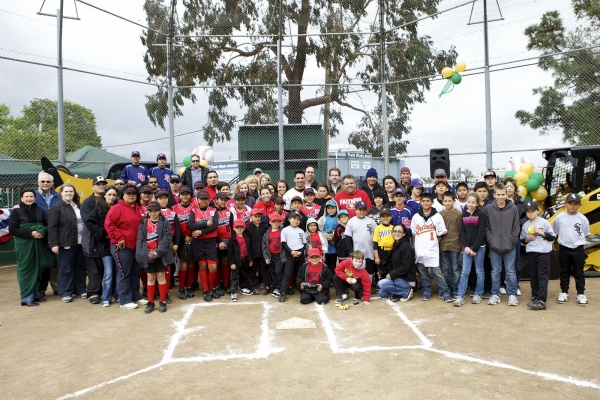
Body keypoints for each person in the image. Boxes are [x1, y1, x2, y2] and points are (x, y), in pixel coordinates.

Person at [9, 188, 54, 306]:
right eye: (26, 197)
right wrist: (31, 233)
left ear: (35, 198)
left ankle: (35, 296)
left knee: (38, 268)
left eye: (31, 196)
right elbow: (12, 230)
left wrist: (42, 232)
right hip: (24, 245)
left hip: (38, 243)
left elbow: (45, 224)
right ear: (21, 198)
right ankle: (26, 298)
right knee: (26, 268)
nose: (29, 199)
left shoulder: (39, 210)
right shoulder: (16, 211)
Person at [104, 185, 147, 310]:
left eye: (134, 193)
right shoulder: (117, 208)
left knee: (135, 272)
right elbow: (109, 224)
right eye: (128, 193)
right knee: (124, 272)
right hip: (122, 245)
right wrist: (119, 237)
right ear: (123, 195)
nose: (131, 195)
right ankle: (125, 300)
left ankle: (135, 296)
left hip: (136, 246)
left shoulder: (139, 208)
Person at [48, 183, 87, 303]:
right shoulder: (56, 208)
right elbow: (52, 227)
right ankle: (65, 292)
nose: (69, 194)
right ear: (61, 193)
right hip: (65, 243)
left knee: (80, 267)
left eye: (71, 191)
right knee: (66, 268)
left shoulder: (79, 206)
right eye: (66, 191)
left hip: (81, 243)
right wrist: (53, 244)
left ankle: (80, 289)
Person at [411, 192, 451, 302]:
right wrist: (414, 246)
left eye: (428, 201)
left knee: (437, 272)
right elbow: (414, 233)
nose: (425, 203)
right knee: (423, 272)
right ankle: (426, 291)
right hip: (420, 249)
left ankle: (444, 292)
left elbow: (441, 233)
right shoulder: (416, 217)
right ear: (420, 202)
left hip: (432, 249)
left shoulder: (437, 216)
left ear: (432, 202)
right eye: (423, 201)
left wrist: (436, 244)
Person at [135, 201, 174, 314]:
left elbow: (167, 237)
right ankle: (151, 302)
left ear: (159, 211)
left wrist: (157, 252)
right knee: (151, 277)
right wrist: (144, 253)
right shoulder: (144, 222)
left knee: (161, 276)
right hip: (148, 254)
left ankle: (162, 301)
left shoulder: (164, 221)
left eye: (155, 211)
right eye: (150, 211)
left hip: (160, 254)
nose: (153, 213)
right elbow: (140, 240)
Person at [485, 183, 520, 306]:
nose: (500, 197)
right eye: (498, 194)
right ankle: (495, 294)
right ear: (494, 195)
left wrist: (512, 240)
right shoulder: (488, 209)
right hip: (494, 246)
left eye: (503, 194)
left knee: (510, 271)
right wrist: (491, 240)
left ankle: (512, 295)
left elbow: (516, 227)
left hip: (510, 246)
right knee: (495, 271)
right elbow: (487, 227)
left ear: (506, 194)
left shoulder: (513, 208)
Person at [553, 193, 590, 306]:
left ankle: (581, 293)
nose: (572, 206)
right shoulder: (559, 217)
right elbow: (557, 231)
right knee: (564, 271)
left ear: (580, 205)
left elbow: (585, 234)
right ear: (565, 204)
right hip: (564, 248)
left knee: (579, 271)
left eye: (575, 204)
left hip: (578, 249)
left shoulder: (582, 219)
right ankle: (564, 292)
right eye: (570, 203)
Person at [80, 176, 111, 305]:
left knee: (107, 268)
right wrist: (104, 233)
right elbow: (89, 222)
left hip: (108, 239)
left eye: (103, 184)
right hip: (92, 238)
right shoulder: (87, 202)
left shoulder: (111, 198)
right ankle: (94, 292)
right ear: (93, 187)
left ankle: (109, 291)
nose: (101, 186)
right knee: (94, 267)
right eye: (98, 184)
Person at [521, 201, 555, 311]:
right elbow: (523, 240)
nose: (530, 213)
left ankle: (542, 300)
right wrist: (528, 239)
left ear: (537, 211)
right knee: (534, 275)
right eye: (528, 211)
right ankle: (535, 295)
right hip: (531, 252)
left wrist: (541, 232)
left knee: (542, 275)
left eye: (532, 211)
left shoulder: (544, 222)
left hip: (543, 252)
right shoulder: (526, 225)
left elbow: (552, 237)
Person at [454, 193, 487, 307]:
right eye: (469, 202)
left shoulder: (481, 214)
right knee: (465, 272)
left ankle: (478, 294)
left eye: (473, 202)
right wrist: (466, 246)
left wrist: (475, 248)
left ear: (477, 203)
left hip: (479, 248)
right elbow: (462, 232)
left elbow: (481, 232)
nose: (471, 204)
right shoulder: (464, 215)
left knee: (479, 271)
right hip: (467, 249)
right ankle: (460, 295)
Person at [189, 190, 220, 302]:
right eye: (201, 199)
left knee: (213, 267)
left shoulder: (213, 210)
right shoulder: (193, 210)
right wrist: (206, 224)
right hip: (198, 242)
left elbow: (215, 226)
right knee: (202, 266)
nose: (203, 201)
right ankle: (206, 290)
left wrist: (201, 231)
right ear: (197, 200)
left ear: (209, 200)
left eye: (206, 199)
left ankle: (211, 288)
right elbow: (191, 226)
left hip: (210, 241)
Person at [35, 171, 59, 297]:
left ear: (52, 183)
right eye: (43, 181)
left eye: (48, 181)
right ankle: (41, 289)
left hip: (56, 232)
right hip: (40, 233)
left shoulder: (58, 195)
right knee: (42, 262)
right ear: (38, 183)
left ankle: (57, 287)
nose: (45, 183)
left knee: (55, 261)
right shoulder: (32, 195)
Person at [377, 224, 415, 301]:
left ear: (404, 234)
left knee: (381, 284)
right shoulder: (396, 244)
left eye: (399, 231)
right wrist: (384, 273)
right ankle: (401, 291)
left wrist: (392, 274)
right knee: (382, 293)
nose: (397, 233)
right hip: (399, 277)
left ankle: (406, 292)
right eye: (395, 231)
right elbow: (391, 263)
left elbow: (406, 266)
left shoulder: (406, 246)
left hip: (407, 279)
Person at [96, 186, 119, 306]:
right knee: (109, 272)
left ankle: (119, 295)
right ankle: (106, 298)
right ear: (104, 195)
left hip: (118, 244)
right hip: (105, 245)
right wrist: (106, 235)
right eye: (109, 194)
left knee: (119, 272)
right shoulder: (98, 209)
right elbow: (93, 225)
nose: (112, 197)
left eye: (114, 195)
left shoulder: (119, 207)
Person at [172, 185, 196, 299]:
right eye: (183, 194)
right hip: (181, 239)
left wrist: (193, 235)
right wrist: (183, 237)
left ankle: (189, 286)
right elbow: (174, 227)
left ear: (191, 196)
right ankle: (181, 288)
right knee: (183, 263)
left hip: (194, 238)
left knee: (191, 263)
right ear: (179, 196)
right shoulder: (174, 208)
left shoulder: (195, 207)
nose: (185, 196)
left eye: (187, 194)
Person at [344, 201, 377, 283]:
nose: (362, 212)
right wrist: (350, 251)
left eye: (364, 210)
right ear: (355, 210)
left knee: (370, 268)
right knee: (358, 267)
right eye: (360, 209)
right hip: (357, 250)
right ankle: (359, 285)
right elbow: (348, 237)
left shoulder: (371, 221)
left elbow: (376, 236)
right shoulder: (351, 221)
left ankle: (369, 284)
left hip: (369, 250)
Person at [156, 189, 180, 295]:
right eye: (160, 198)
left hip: (170, 242)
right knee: (158, 266)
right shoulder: (153, 212)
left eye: (165, 198)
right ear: (156, 199)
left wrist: (176, 244)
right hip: (157, 243)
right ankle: (158, 287)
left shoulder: (172, 212)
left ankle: (168, 286)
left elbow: (177, 229)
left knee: (169, 264)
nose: (163, 200)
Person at [439, 191, 462, 298]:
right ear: (442, 202)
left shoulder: (459, 214)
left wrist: (461, 245)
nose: (447, 203)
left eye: (450, 201)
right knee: (445, 269)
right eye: (445, 201)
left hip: (455, 245)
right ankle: (446, 289)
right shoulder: (440, 214)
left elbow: (461, 230)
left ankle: (455, 290)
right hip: (443, 245)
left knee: (455, 269)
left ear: (454, 201)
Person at [279, 211, 306, 302]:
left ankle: (302, 289)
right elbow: (283, 243)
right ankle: (282, 292)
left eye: (298, 219)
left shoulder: (301, 231)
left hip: (299, 254)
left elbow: (304, 243)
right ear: (289, 219)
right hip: (290, 254)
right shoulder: (285, 230)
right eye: (294, 218)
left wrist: (300, 252)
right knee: (287, 274)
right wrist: (291, 252)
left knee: (300, 273)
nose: (296, 221)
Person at [227, 219, 255, 301]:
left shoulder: (246, 237)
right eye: (237, 227)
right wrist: (232, 263)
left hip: (245, 259)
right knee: (235, 276)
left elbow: (249, 249)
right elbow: (230, 253)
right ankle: (233, 292)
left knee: (244, 274)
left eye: (241, 227)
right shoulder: (232, 240)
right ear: (234, 228)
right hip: (236, 261)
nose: (239, 229)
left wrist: (250, 259)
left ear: (244, 228)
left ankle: (243, 288)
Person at [246, 208, 270, 294]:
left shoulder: (265, 227)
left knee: (264, 270)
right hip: (252, 253)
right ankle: (252, 285)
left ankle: (266, 284)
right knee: (252, 270)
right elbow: (247, 243)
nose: (257, 218)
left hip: (262, 253)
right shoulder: (248, 228)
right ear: (251, 217)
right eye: (255, 216)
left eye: (259, 216)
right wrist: (249, 257)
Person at [262, 213, 285, 299]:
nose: (276, 223)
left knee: (278, 272)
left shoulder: (282, 232)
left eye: (277, 221)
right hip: (271, 255)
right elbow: (264, 246)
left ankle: (279, 287)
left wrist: (284, 257)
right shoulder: (267, 233)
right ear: (270, 222)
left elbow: (285, 245)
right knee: (272, 271)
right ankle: (275, 286)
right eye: (274, 221)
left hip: (279, 255)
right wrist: (266, 257)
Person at [214, 192, 233, 294]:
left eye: (225, 200)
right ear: (216, 200)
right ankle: (218, 284)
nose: (223, 201)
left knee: (225, 261)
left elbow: (232, 227)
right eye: (221, 199)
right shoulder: (212, 212)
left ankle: (226, 283)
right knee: (216, 263)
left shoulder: (229, 212)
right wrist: (219, 241)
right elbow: (213, 229)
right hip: (215, 241)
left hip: (227, 241)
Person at [372, 206, 394, 280]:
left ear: (391, 217)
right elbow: (375, 243)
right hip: (381, 251)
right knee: (382, 271)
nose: (385, 218)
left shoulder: (393, 227)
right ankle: (382, 284)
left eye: (387, 216)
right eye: (383, 216)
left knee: (390, 270)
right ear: (380, 218)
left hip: (391, 251)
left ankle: (389, 284)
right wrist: (376, 257)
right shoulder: (378, 228)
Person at [317, 199, 339, 274]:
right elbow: (318, 229)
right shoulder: (322, 219)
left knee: (333, 263)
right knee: (325, 263)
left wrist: (334, 236)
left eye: (333, 208)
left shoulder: (338, 219)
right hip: (325, 245)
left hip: (334, 246)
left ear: (336, 208)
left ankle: (332, 277)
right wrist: (325, 235)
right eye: (328, 208)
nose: (330, 210)